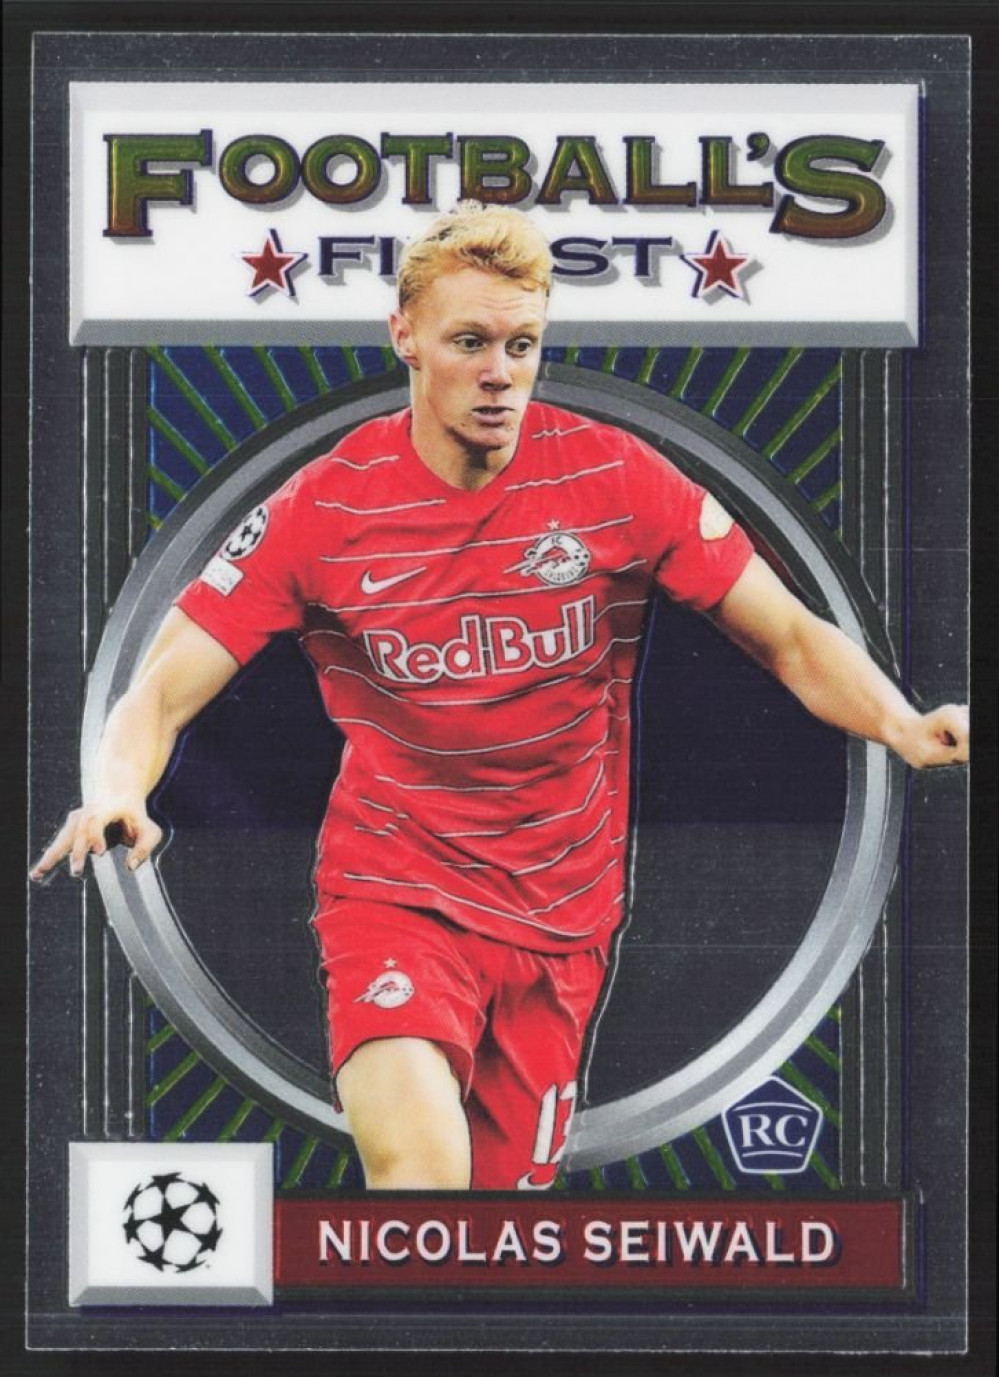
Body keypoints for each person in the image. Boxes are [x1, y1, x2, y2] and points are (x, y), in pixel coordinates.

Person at [31, 202, 968, 1191]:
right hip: (395, 892)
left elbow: (790, 637)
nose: (499, 373)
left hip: (564, 919)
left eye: (521, 345)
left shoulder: (615, 476)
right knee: (421, 1173)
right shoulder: (324, 507)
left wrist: (905, 726)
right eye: (469, 342)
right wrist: (119, 789)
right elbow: (160, 690)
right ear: (405, 336)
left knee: (496, 1226)